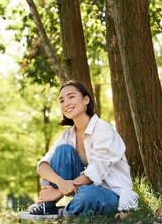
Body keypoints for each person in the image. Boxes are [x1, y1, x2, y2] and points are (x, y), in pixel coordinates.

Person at [28, 81, 139, 217]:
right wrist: (61, 183)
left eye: (71, 97)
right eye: (62, 100)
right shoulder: (68, 135)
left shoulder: (103, 130)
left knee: (88, 195)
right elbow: (42, 165)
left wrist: (59, 192)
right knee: (63, 151)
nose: (66, 103)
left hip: (110, 192)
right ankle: (48, 205)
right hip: (82, 187)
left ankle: (66, 212)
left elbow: (97, 170)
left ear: (86, 100)